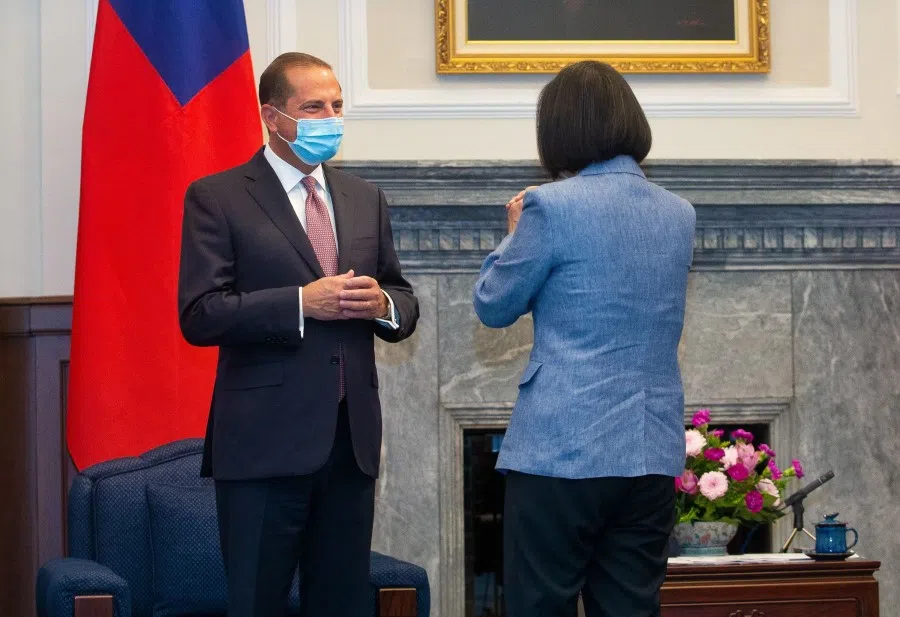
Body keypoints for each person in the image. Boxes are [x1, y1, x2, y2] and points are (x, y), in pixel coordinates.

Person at [178, 52, 418, 617]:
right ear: (273, 116)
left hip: (349, 443)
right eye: (314, 107)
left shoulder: (364, 197)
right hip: (263, 445)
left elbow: (403, 299)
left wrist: (381, 303)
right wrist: (298, 304)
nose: (330, 117)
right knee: (257, 602)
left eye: (337, 105)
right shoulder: (219, 196)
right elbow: (200, 313)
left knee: (341, 603)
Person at [473, 60, 696, 617]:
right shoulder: (679, 213)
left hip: (561, 452)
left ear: (560, 130)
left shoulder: (550, 207)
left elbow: (493, 306)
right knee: (629, 607)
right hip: (649, 451)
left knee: (539, 604)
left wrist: (512, 237)